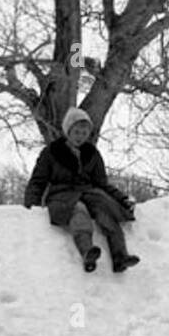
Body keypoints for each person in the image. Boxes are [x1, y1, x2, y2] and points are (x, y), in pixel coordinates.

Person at [23, 107, 141, 273]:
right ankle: (87, 251)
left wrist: (121, 199)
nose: (80, 137)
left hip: (89, 192)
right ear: (68, 131)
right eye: (77, 132)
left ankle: (120, 256)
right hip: (61, 195)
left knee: (105, 209)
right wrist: (31, 204)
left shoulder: (92, 153)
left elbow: (102, 183)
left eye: (84, 133)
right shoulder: (51, 152)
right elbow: (38, 181)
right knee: (78, 210)